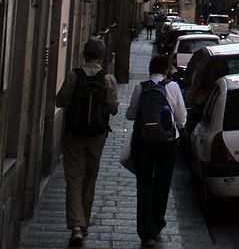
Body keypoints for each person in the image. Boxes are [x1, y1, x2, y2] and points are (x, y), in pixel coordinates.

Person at [55, 38, 119, 247]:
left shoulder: (75, 76)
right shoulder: (108, 79)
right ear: (102, 56)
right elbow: (113, 107)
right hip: (97, 136)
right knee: (90, 178)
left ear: (84, 55)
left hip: (74, 134)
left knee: (74, 178)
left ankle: (75, 226)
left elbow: (60, 100)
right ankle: (84, 225)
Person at [126, 53, 187, 248]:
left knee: (144, 184)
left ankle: (145, 233)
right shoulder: (173, 87)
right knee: (162, 183)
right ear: (167, 70)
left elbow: (130, 115)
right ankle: (157, 223)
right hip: (168, 143)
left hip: (143, 143)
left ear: (150, 69)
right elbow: (181, 119)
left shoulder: (140, 87)